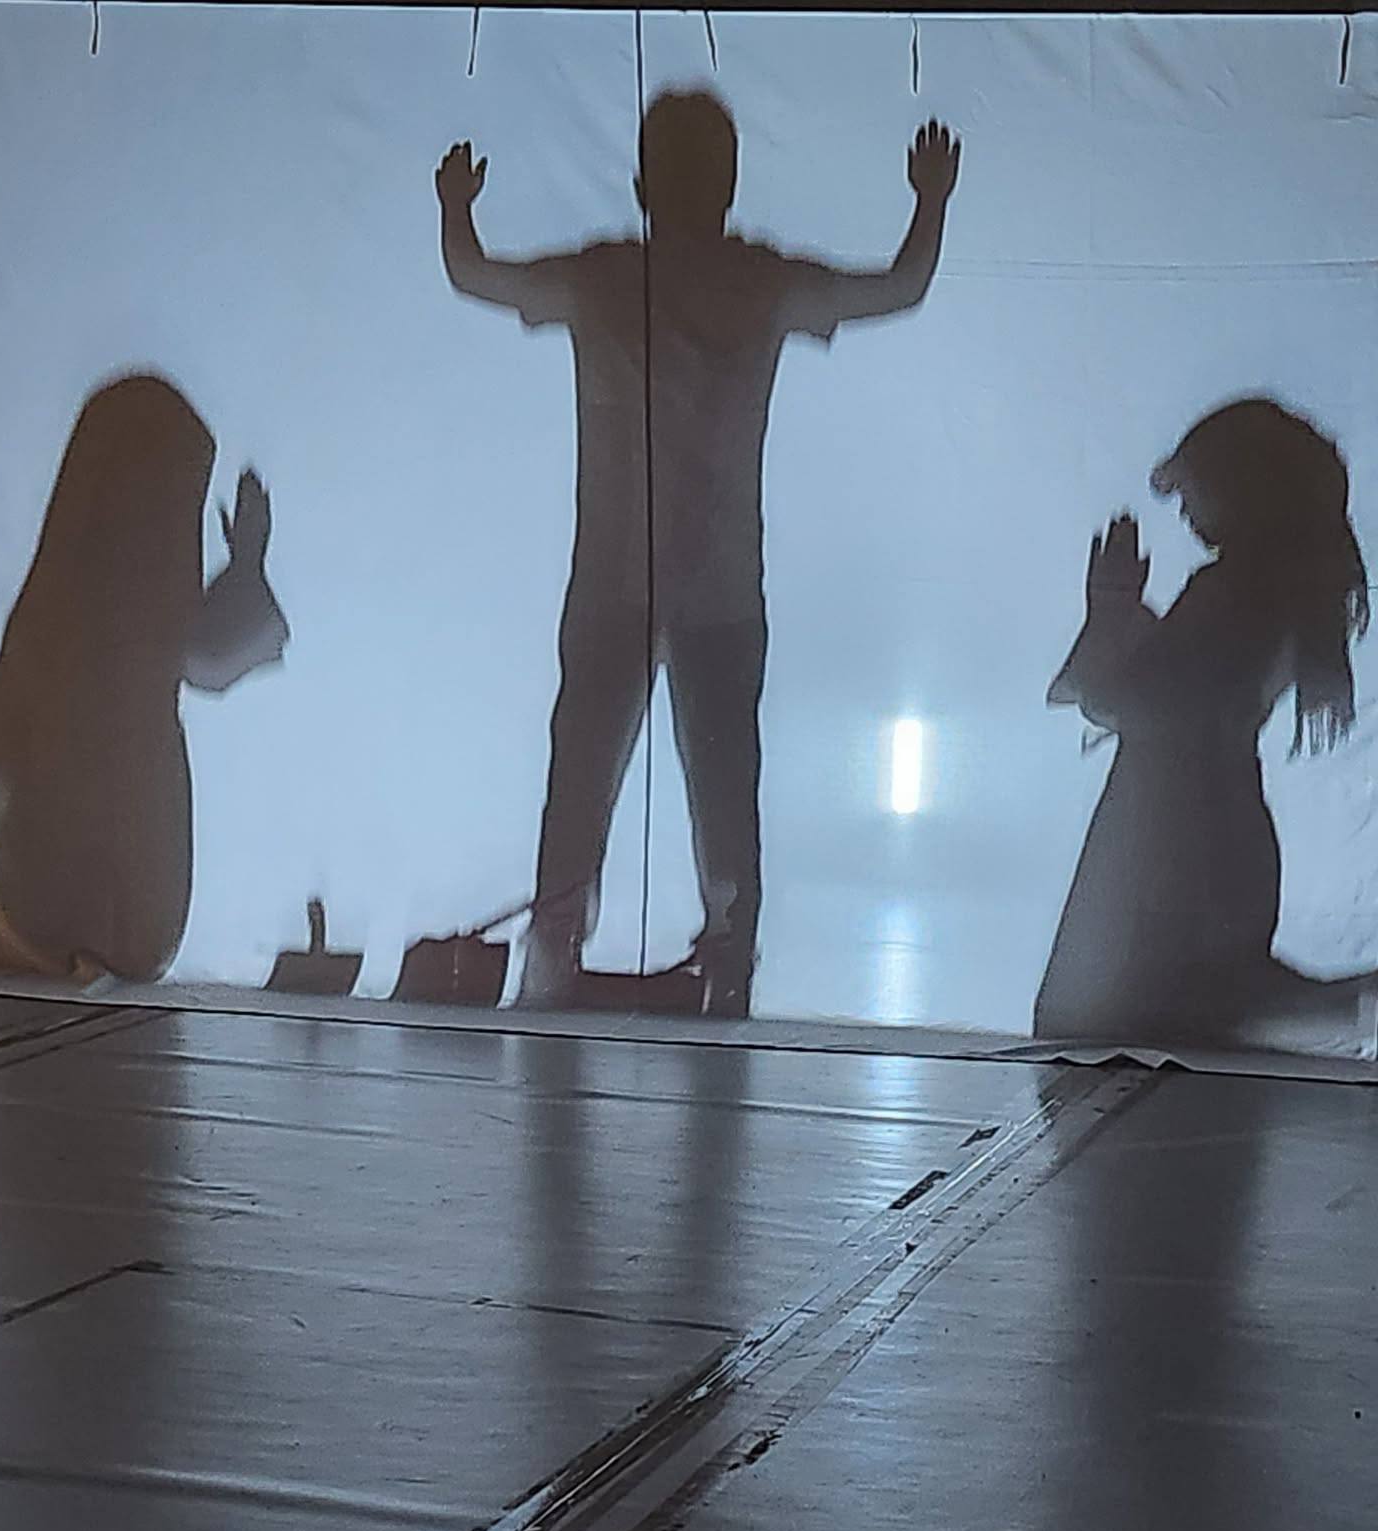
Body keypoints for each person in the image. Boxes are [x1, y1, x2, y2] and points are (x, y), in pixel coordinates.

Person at [437, 91, 960, 1015]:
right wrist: (930, 202)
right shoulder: (756, 283)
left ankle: (557, 960)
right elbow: (898, 288)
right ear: (729, 183)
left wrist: (456, 210)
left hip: (614, 583)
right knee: (721, 790)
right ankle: (726, 970)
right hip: (718, 589)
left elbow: (475, 275)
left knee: (582, 783)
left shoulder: (605, 279)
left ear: (644, 183)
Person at [0, 374, 288, 983]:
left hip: (94, 917)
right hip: (123, 919)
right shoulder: (107, 647)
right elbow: (215, 659)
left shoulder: (61, 652)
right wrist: (246, 565)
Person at [1035, 398, 1371, 1046]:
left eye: (1194, 485)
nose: (1184, 506)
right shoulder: (1275, 599)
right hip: (1220, 821)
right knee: (1190, 1016)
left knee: (1122, 1022)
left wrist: (1111, 608)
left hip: (1169, 832)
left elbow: (1130, 702)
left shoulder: (1230, 593)